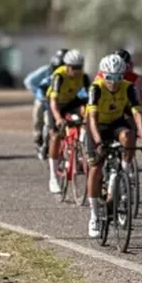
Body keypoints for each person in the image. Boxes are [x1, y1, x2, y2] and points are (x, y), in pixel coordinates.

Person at [84, 54, 142, 238]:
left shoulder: (128, 87)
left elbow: (137, 114)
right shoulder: (96, 88)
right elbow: (92, 119)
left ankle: (124, 172)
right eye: (110, 77)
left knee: (128, 136)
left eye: (118, 77)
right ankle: (94, 215)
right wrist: (98, 142)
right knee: (95, 168)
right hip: (97, 127)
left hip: (116, 124)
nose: (114, 82)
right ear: (102, 75)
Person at [46, 50, 91, 194]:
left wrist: (88, 118)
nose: (77, 71)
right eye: (74, 68)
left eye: (79, 67)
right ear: (66, 66)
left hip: (71, 102)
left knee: (86, 111)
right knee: (56, 136)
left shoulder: (84, 77)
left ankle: (81, 142)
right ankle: (53, 177)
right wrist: (58, 119)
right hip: (57, 104)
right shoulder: (59, 76)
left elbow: (91, 99)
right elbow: (53, 101)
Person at [24, 48, 66, 158]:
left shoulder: (75, 76)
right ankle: (39, 136)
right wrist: (39, 95)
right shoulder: (47, 73)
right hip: (46, 100)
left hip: (63, 101)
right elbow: (29, 81)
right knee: (41, 112)